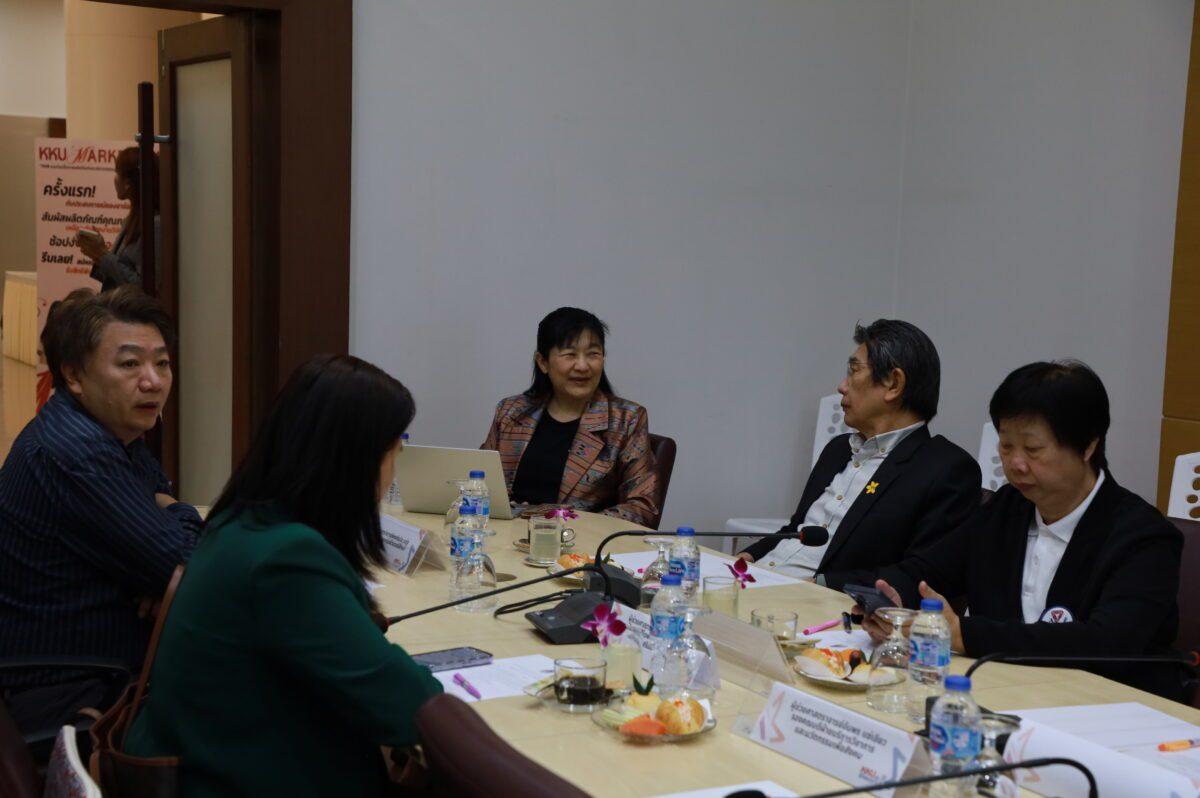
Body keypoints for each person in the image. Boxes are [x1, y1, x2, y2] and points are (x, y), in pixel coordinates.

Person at [124, 355, 444, 797]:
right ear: (357, 460)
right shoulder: (288, 560)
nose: (392, 472)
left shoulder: (240, 521)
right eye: (394, 454)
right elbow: (410, 707)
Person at [861, 361, 1186, 700]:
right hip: (1000, 693)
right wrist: (889, 600)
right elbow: (930, 570)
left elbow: (1106, 643)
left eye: (1032, 450)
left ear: (1088, 447)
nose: (1015, 464)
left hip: (1107, 707)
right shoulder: (1007, 508)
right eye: (1006, 446)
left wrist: (964, 634)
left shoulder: (1144, 536)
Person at [0, 286, 200, 733]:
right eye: (129, 364)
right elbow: (187, 565)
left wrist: (166, 556)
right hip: (67, 694)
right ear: (74, 375)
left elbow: (161, 513)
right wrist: (178, 517)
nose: (153, 381)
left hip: (96, 672)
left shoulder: (111, 429)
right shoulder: (77, 451)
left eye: (162, 363)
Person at [739, 320, 980, 591]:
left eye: (854, 371)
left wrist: (819, 585)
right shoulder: (838, 449)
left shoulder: (946, 469)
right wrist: (750, 557)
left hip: (821, 604)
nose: (842, 386)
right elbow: (797, 528)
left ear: (893, 384)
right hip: (758, 582)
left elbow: (923, 575)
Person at [482, 307, 660, 526]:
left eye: (593, 354)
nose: (583, 366)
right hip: (505, 536)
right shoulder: (511, 412)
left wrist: (567, 521)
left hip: (580, 541)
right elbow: (480, 482)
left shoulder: (626, 420)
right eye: (570, 355)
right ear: (543, 362)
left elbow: (642, 506)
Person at [77, 146, 160, 292]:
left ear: (128, 184)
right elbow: (115, 275)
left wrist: (103, 254)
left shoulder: (155, 225)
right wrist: (96, 254)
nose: (115, 180)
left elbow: (143, 288)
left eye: (117, 173)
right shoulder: (132, 220)